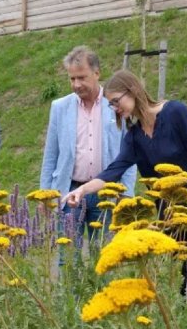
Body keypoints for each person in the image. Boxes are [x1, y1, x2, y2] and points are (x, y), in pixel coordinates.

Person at [62, 70, 187, 297]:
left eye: (116, 101)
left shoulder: (176, 113)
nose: (115, 108)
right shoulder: (134, 137)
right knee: (174, 288)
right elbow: (113, 170)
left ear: (133, 91)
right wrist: (81, 190)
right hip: (170, 219)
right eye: (111, 105)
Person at [39, 46, 136, 245]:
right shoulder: (60, 108)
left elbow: (130, 153)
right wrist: (44, 194)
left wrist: (126, 192)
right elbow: (51, 155)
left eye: (82, 77)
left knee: (103, 258)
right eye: (72, 79)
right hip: (69, 194)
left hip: (106, 194)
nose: (76, 84)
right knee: (67, 261)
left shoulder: (117, 105)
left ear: (97, 73)